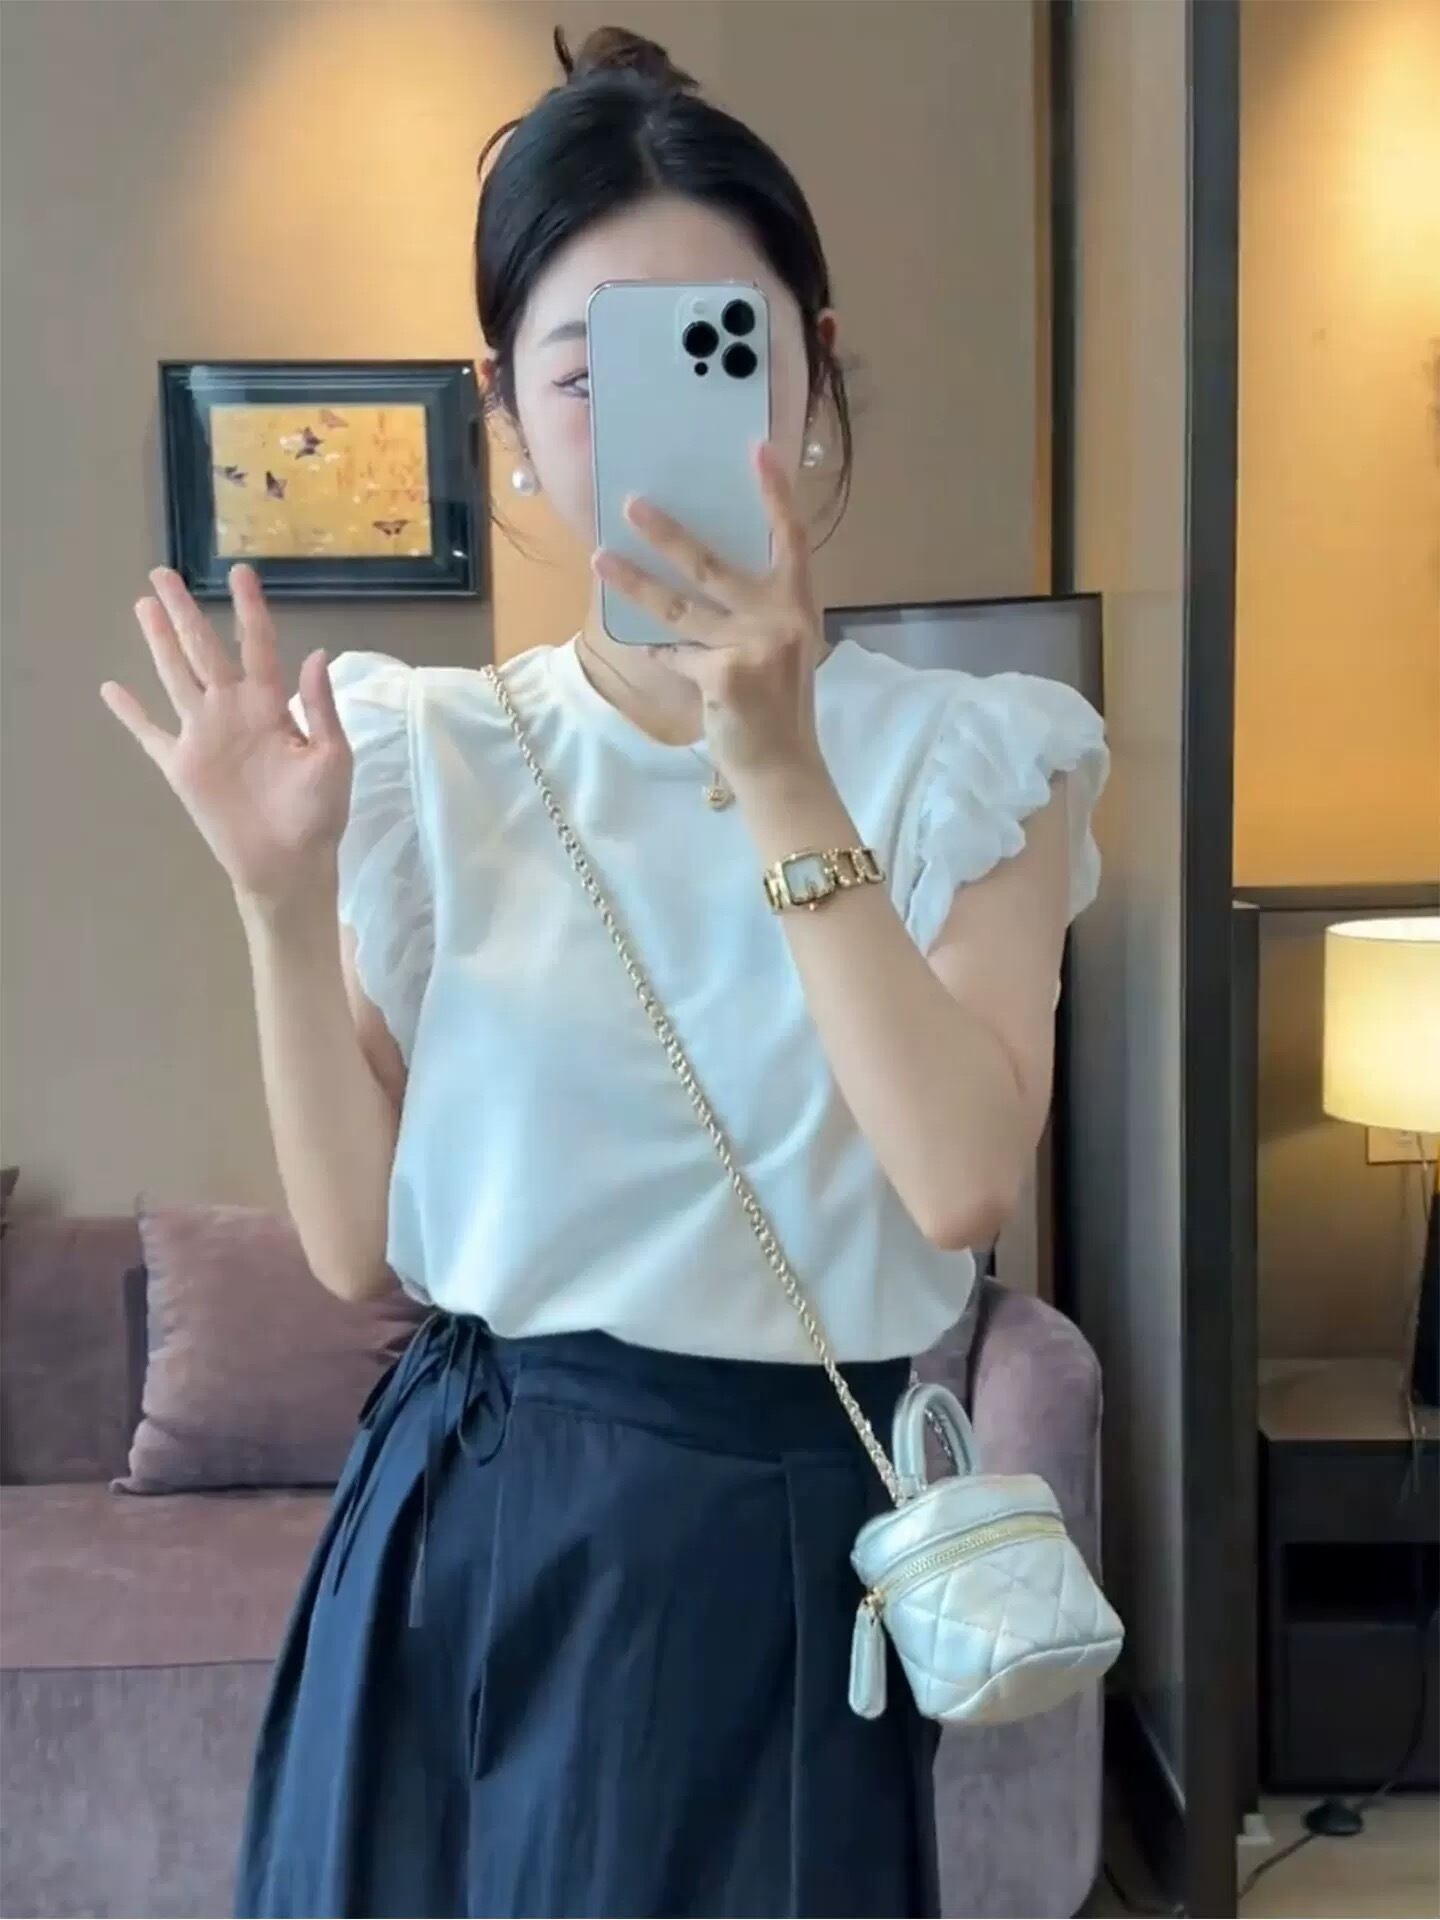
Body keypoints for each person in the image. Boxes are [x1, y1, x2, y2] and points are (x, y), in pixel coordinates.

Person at [99, 25, 1109, 1920]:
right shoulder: (424, 755)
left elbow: (962, 1183)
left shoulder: (978, 758)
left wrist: (777, 762)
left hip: (773, 1535)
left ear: (815, 369)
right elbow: (357, 1253)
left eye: (723, 346)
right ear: (507, 416)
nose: (645, 421)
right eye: (583, 373)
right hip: (465, 1513)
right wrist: (276, 899)